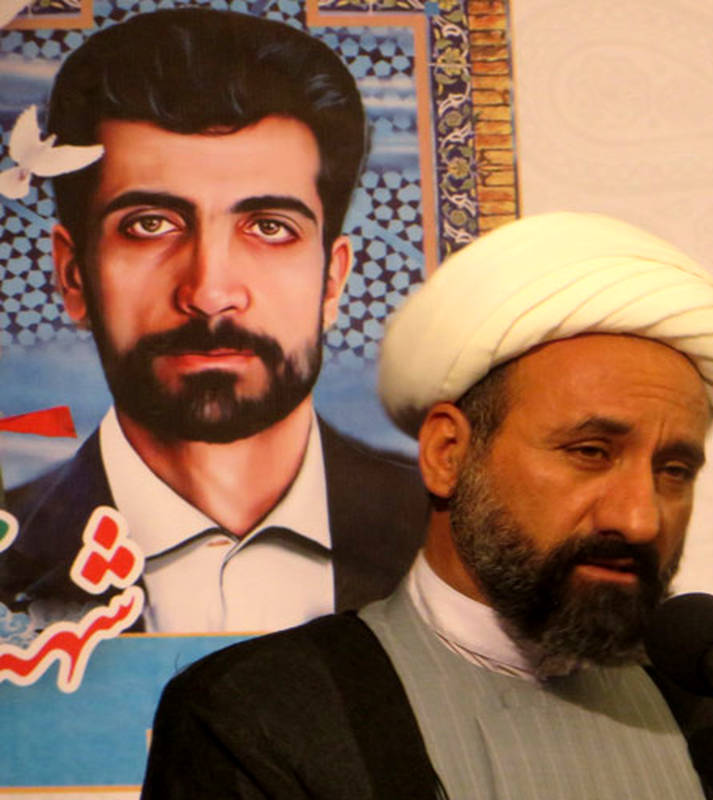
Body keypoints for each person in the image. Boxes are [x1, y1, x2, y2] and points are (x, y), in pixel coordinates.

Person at [143, 212, 713, 799]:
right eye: (590, 452)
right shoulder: (262, 716)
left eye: (673, 471)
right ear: (447, 453)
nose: (639, 518)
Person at [0, 9, 427, 634]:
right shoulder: (10, 551)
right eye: (150, 225)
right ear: (73, 276)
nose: (209, 293)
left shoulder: (449, 539)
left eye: (269, 227)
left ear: (333, 280)